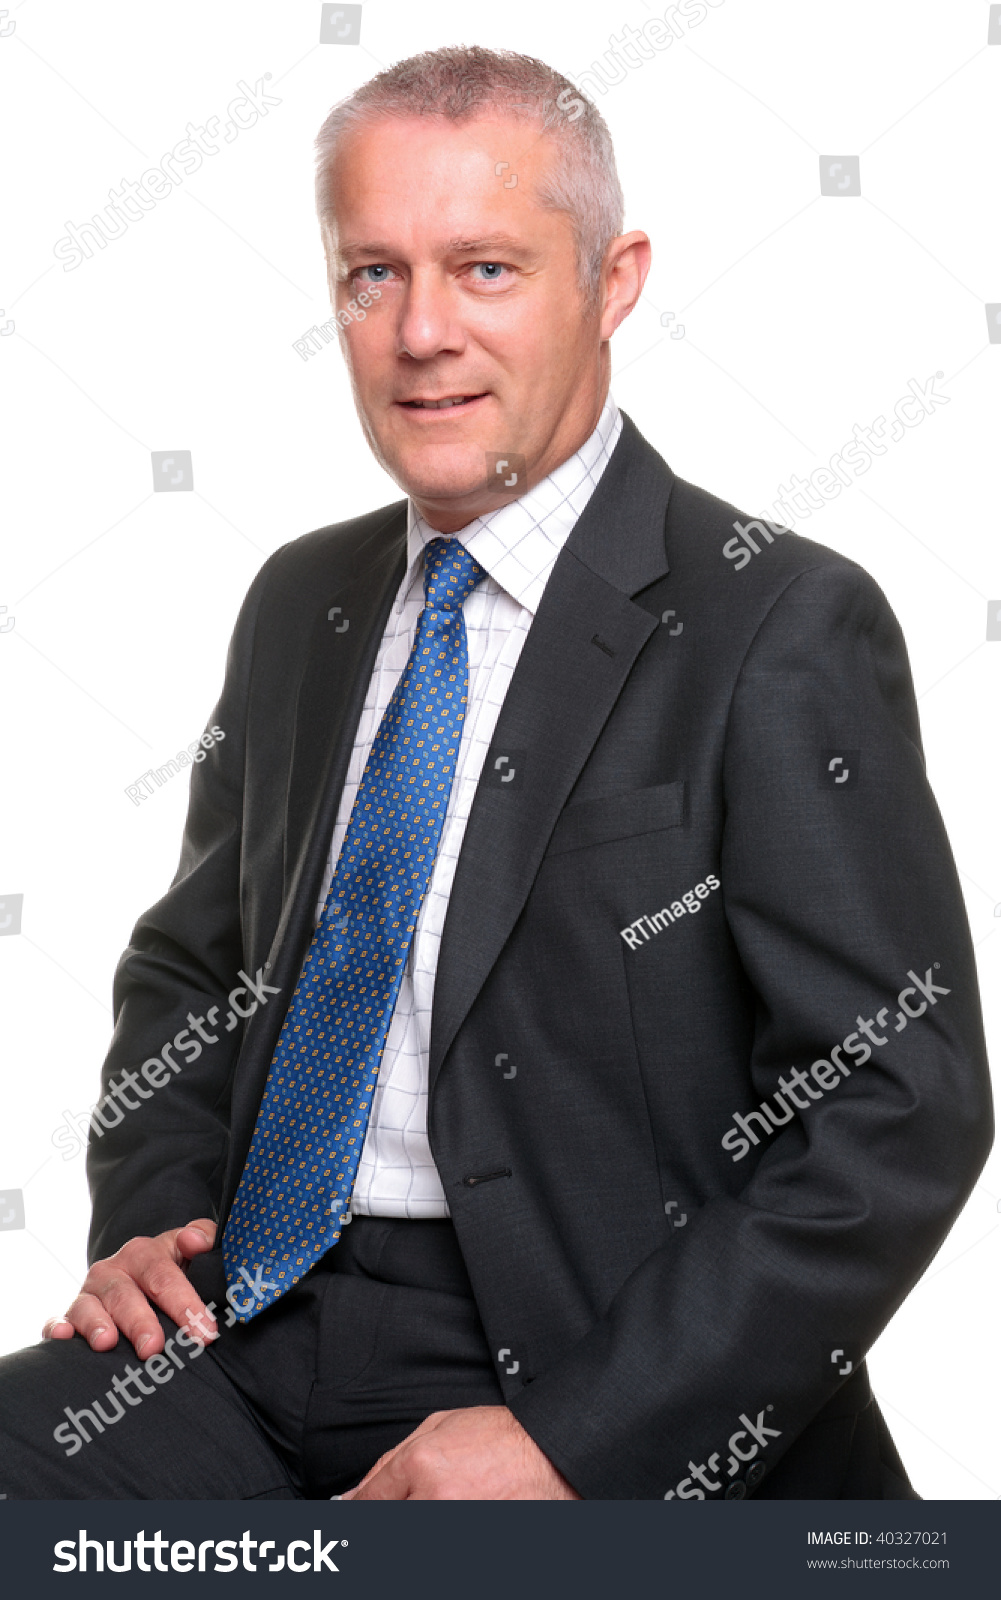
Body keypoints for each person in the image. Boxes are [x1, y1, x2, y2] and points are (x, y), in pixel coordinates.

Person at [0, 45, 991, 1502]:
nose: (420, 334)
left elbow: (896, 1103)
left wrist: (571, 1441)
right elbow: (191, 968)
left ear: (612, 280)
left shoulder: (773, 622)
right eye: (371, 275)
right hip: (250, 1320)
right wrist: (151, 1227)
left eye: (484, 269)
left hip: (580, 1354)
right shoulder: (303, 601)